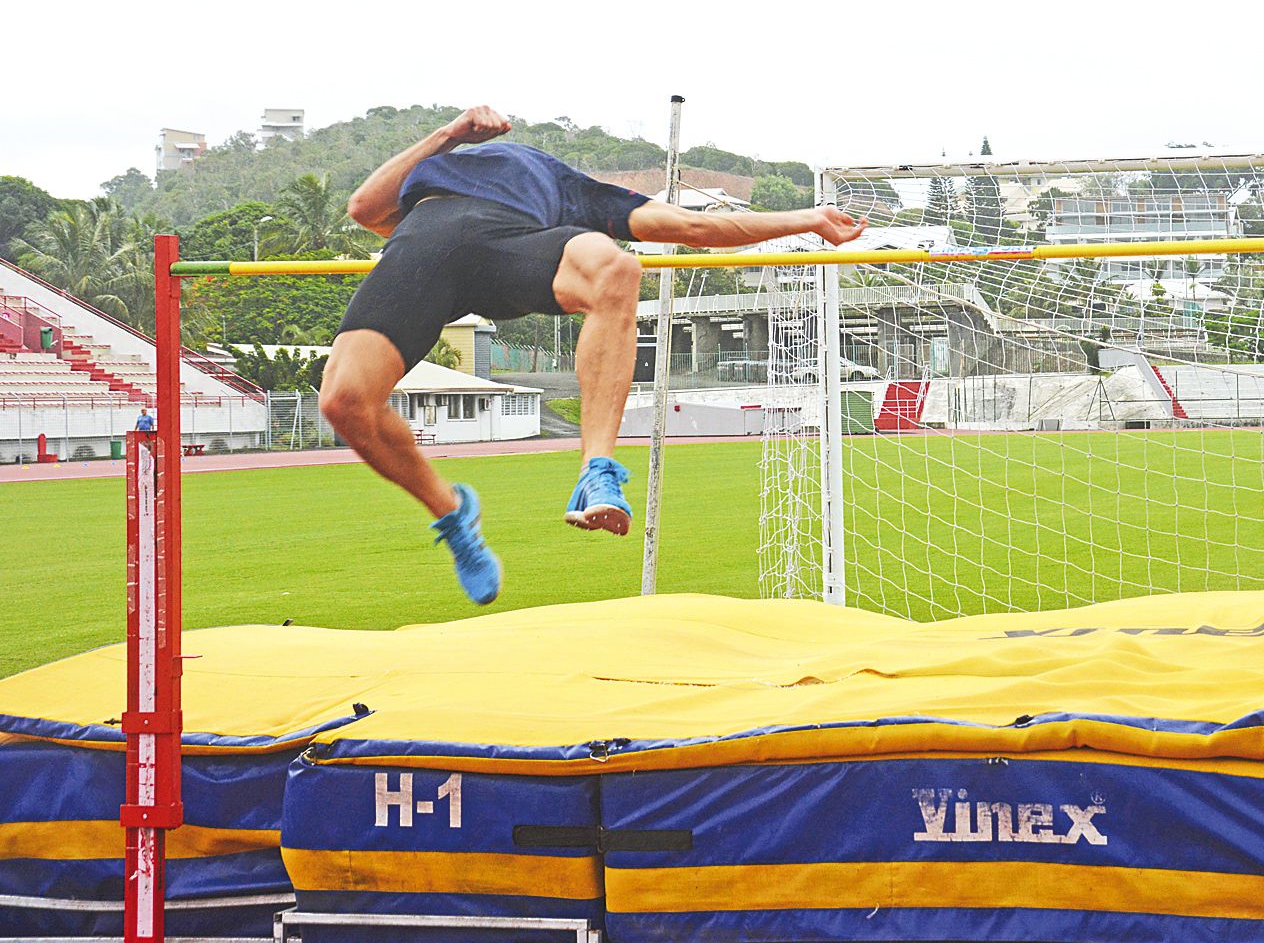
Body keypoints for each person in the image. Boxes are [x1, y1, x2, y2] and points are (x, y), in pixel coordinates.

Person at [318, 106, 865, 605]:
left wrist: (809, 218)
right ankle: (454, 516)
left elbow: (696, 227)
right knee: (345, 402)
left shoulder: (574, 189)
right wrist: (449, 134)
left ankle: (596, 469)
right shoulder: (433, 167)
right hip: (424, 248)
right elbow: (365, 208)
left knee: (617, 269)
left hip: (513, 249)